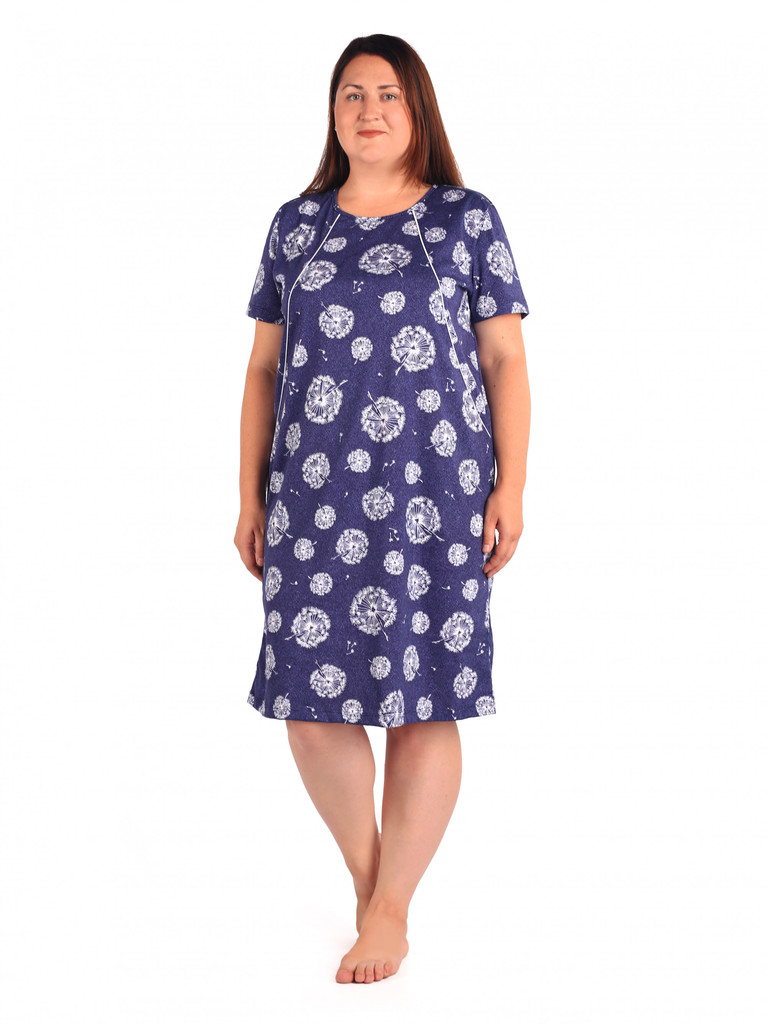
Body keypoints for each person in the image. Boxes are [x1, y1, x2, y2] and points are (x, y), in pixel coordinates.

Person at [234, 33, 531, 984]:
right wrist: (248, 493)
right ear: (332, 113)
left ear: (418, 110)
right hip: (312, 496)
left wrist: (511, 485)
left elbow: (503, 359)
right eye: (352, 94)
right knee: (309, 705)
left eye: (389, 95)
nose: (369, 110)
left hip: (433, 497)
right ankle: (374, 885)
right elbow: (264, 370)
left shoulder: (464, 220)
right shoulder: (297, 226)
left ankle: (390, 909)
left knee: (424, 695)